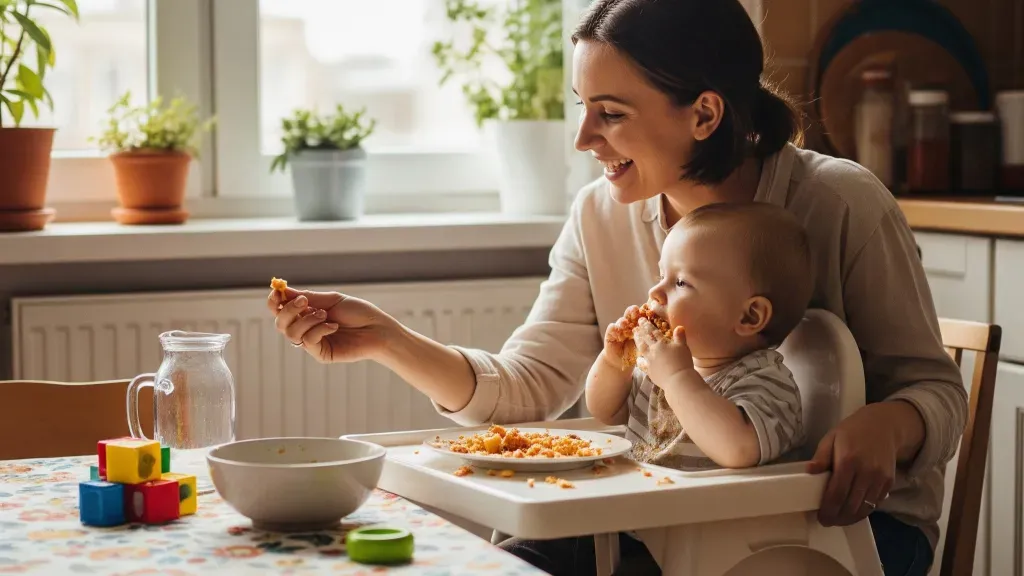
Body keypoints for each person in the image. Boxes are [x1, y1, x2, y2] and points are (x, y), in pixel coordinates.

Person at [267, 0, 966, 573]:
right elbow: (531, 382)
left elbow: (936, 394)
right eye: (582, 106)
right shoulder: (600, 212)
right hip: (663, 514)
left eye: (611, 112)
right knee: (512, 561)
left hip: (848, 532)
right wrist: (387, 340)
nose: (582, 139)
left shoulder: (840, 203)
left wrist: (888, 422)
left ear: (704, 114)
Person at [587, 202, 813, 473]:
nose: (656, 291)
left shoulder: (767, 385)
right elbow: (604, 412)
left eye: (680, 282)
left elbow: (737, 449)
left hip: (718, 514)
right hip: (647, 506)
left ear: (749, 317)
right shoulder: (661, 369)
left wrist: (677, 379)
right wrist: (615, 364)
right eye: (661, 275)